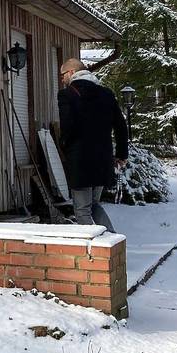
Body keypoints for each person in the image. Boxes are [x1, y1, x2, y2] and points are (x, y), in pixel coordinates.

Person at [56, 57, 128, 230]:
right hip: (103, 160)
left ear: (72, 72)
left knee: (82, 210)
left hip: (80, 160)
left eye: (63, 75)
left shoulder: (67, 95)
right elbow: (120, 126)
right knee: (94, 205)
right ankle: (112, 240)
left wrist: (65, 147)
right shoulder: (106, 93)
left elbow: (67, 126)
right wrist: (121, 155)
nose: (62, 79)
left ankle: (94, 252)